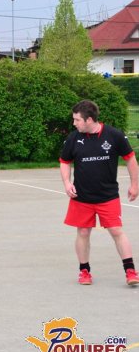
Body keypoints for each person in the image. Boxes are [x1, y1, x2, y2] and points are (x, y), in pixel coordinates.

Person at [59, 99, 139, 286]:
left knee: (116, 230)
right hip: (81, 197)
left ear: (89, 120)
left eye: (77, 120)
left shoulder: (114, 135)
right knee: (83, 232)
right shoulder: (73, 138)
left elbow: (130, 159)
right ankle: (84, 271)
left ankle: (130, 271)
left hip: (107, 195)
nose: (74, 123)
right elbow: (64, 161)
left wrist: (135, 185)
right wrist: (67, 183)